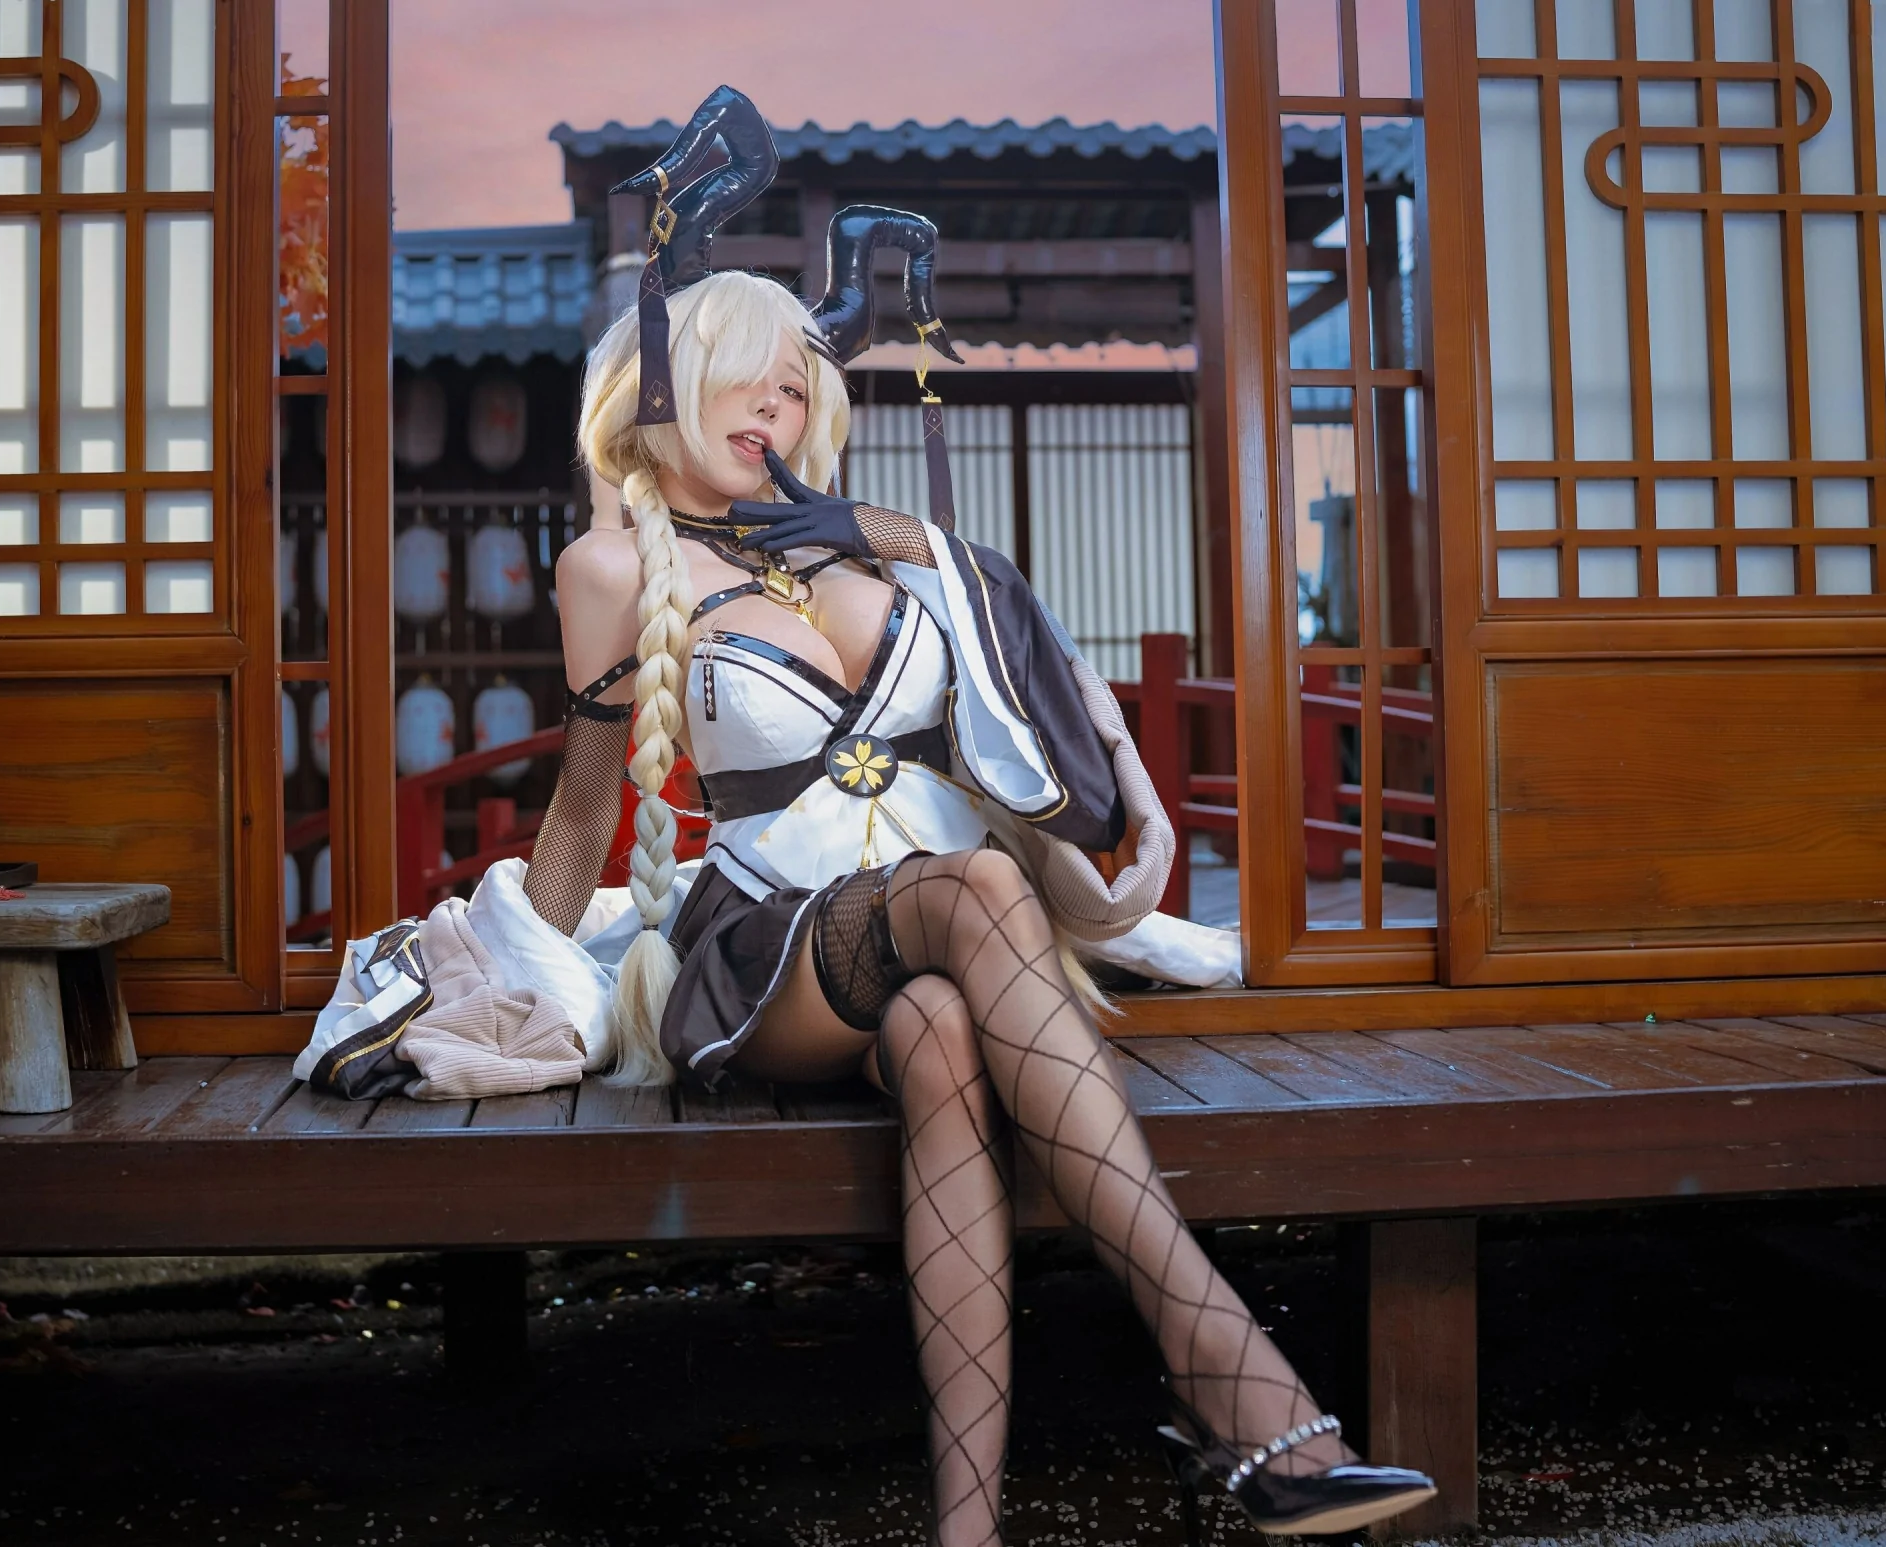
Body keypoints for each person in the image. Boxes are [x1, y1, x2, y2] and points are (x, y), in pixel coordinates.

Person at [510, 86, 1438, 1547]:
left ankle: (969, 1530)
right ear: (667, 390)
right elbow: (581, 805)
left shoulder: (864, 552)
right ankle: (1235, 1381)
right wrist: (514, 966)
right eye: (743, 382)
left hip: (936, 943)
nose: (773, 411)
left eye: (795, 390)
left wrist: (871, 533)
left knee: (944, 1034)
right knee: (980, 895)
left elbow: (1014, 660)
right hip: (768, 955)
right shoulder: (615, 567)